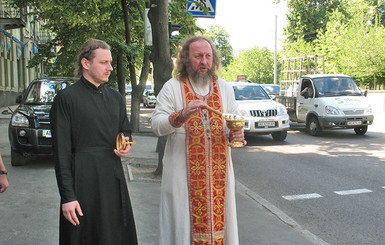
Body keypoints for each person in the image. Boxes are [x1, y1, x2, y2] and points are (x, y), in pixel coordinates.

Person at [152, 36, 246, 245]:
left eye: (208, 56)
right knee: (182, 227)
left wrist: (236, 134)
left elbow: (234, 119)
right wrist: (181, 115)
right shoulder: (172, 87)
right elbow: (156, 126)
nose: (204, 61)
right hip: (182, 176)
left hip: (219, 177)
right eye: (198, 56)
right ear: (186, 59)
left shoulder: (224, 88)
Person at [50, 39, 137, 245]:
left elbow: (125, 130)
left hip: (112, 177)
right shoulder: (66, 98)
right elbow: (60, 152)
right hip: (83, 179)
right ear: (86, 63)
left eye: (110, 62)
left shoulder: (115, 97)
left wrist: (125, 144)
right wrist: (68, 197)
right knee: (84, 236)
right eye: (104, 62)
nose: (110, 68)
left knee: (114, 234)